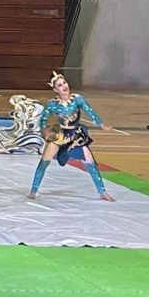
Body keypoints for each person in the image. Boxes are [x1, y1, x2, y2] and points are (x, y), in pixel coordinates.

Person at [28, 71, 115, 202]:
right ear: (55, 90)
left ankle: (102, 192)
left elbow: (90, 112)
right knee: (44, 162)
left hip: (76, 134)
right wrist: (44, 131)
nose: (64, 86)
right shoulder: (52, 104)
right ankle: (33, 191)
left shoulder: (78, 99)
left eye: (64, 83)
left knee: (90, 162)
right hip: (60, 133)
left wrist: (102, 125)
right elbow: (43, 121)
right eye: (60, 85)